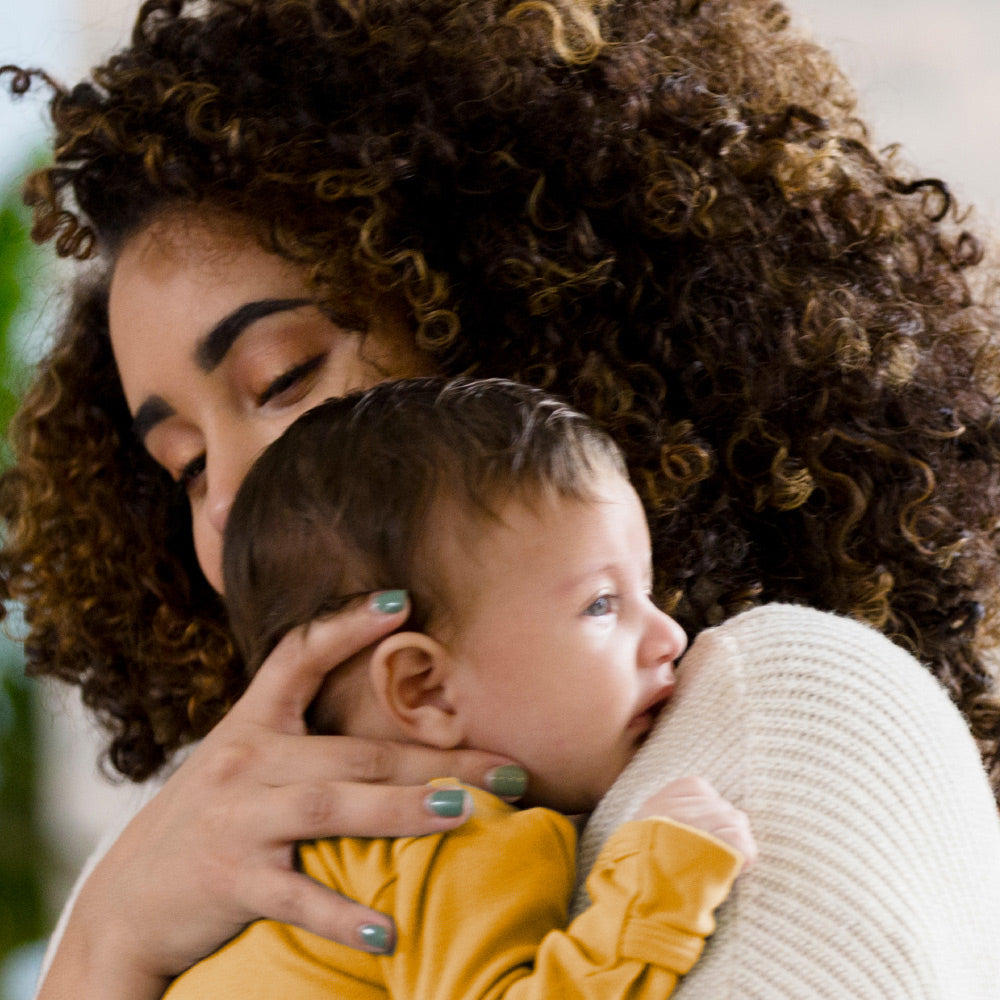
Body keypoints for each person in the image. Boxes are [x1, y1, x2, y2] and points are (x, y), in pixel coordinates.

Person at [1, 0, 1000, 997]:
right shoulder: (179, 870)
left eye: (283, 378)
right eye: (185, 466)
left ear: (509, 313)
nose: (227, 502)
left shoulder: (780, 715)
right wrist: (104, 940)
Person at [163, 374, 754, 998]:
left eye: (648, 591)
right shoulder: (449, 839)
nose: (671, 636)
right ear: (425, 690)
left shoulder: (291, 867)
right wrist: (661, 881)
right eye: (601, 604)